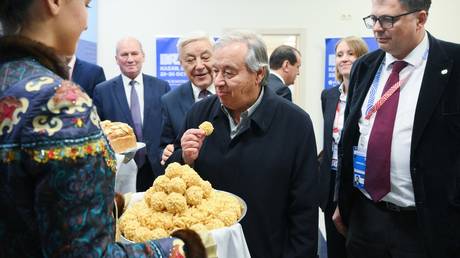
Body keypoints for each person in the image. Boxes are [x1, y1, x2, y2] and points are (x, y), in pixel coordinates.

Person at [0, 0, 204, 257]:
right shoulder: (58, 102)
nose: (86, 22)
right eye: (87, 4)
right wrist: (178, 247)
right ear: (54, 3)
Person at [165, 31, 319, 258]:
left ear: (259, 74)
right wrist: (184, 158)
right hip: (209, 248)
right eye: (215, 70)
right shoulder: (199, 113)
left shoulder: (295, 123)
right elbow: (172, 182)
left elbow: (304, 208)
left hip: (267, 247)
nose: (218, 81)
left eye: (229, 73)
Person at [335, 0, 460, 257]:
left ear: (421, 19)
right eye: (373, 19)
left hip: (427, 223)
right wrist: (341, 199)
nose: (378, 29)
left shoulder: (454, 64)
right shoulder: (364, 67)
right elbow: (350, 139)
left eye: (388, 20)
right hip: (366, 216)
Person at [93, 37, 171, 192]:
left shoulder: (161, 87)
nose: (130, 59)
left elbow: (169, 128)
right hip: (121, 170)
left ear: (143, 56)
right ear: (116, 59)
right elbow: (98, 131)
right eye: (124, 55)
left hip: (156, 168)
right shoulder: (102, 91)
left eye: (134, 53)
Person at [319, 36, 368, 258]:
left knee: (357, 245)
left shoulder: (369, 95)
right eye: (339, 54)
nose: (344, 59)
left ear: (362, 58)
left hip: (357, 182)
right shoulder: (328, 96)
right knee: (334, 247)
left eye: (350, 54)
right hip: (330, 181)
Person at [160, 32, 215, 165]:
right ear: (181, 63)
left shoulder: (230, 93)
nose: (199, 66)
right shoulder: (170, 100)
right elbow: (164, 146)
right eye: (190, 60)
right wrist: (167, 152)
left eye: (206, 58)